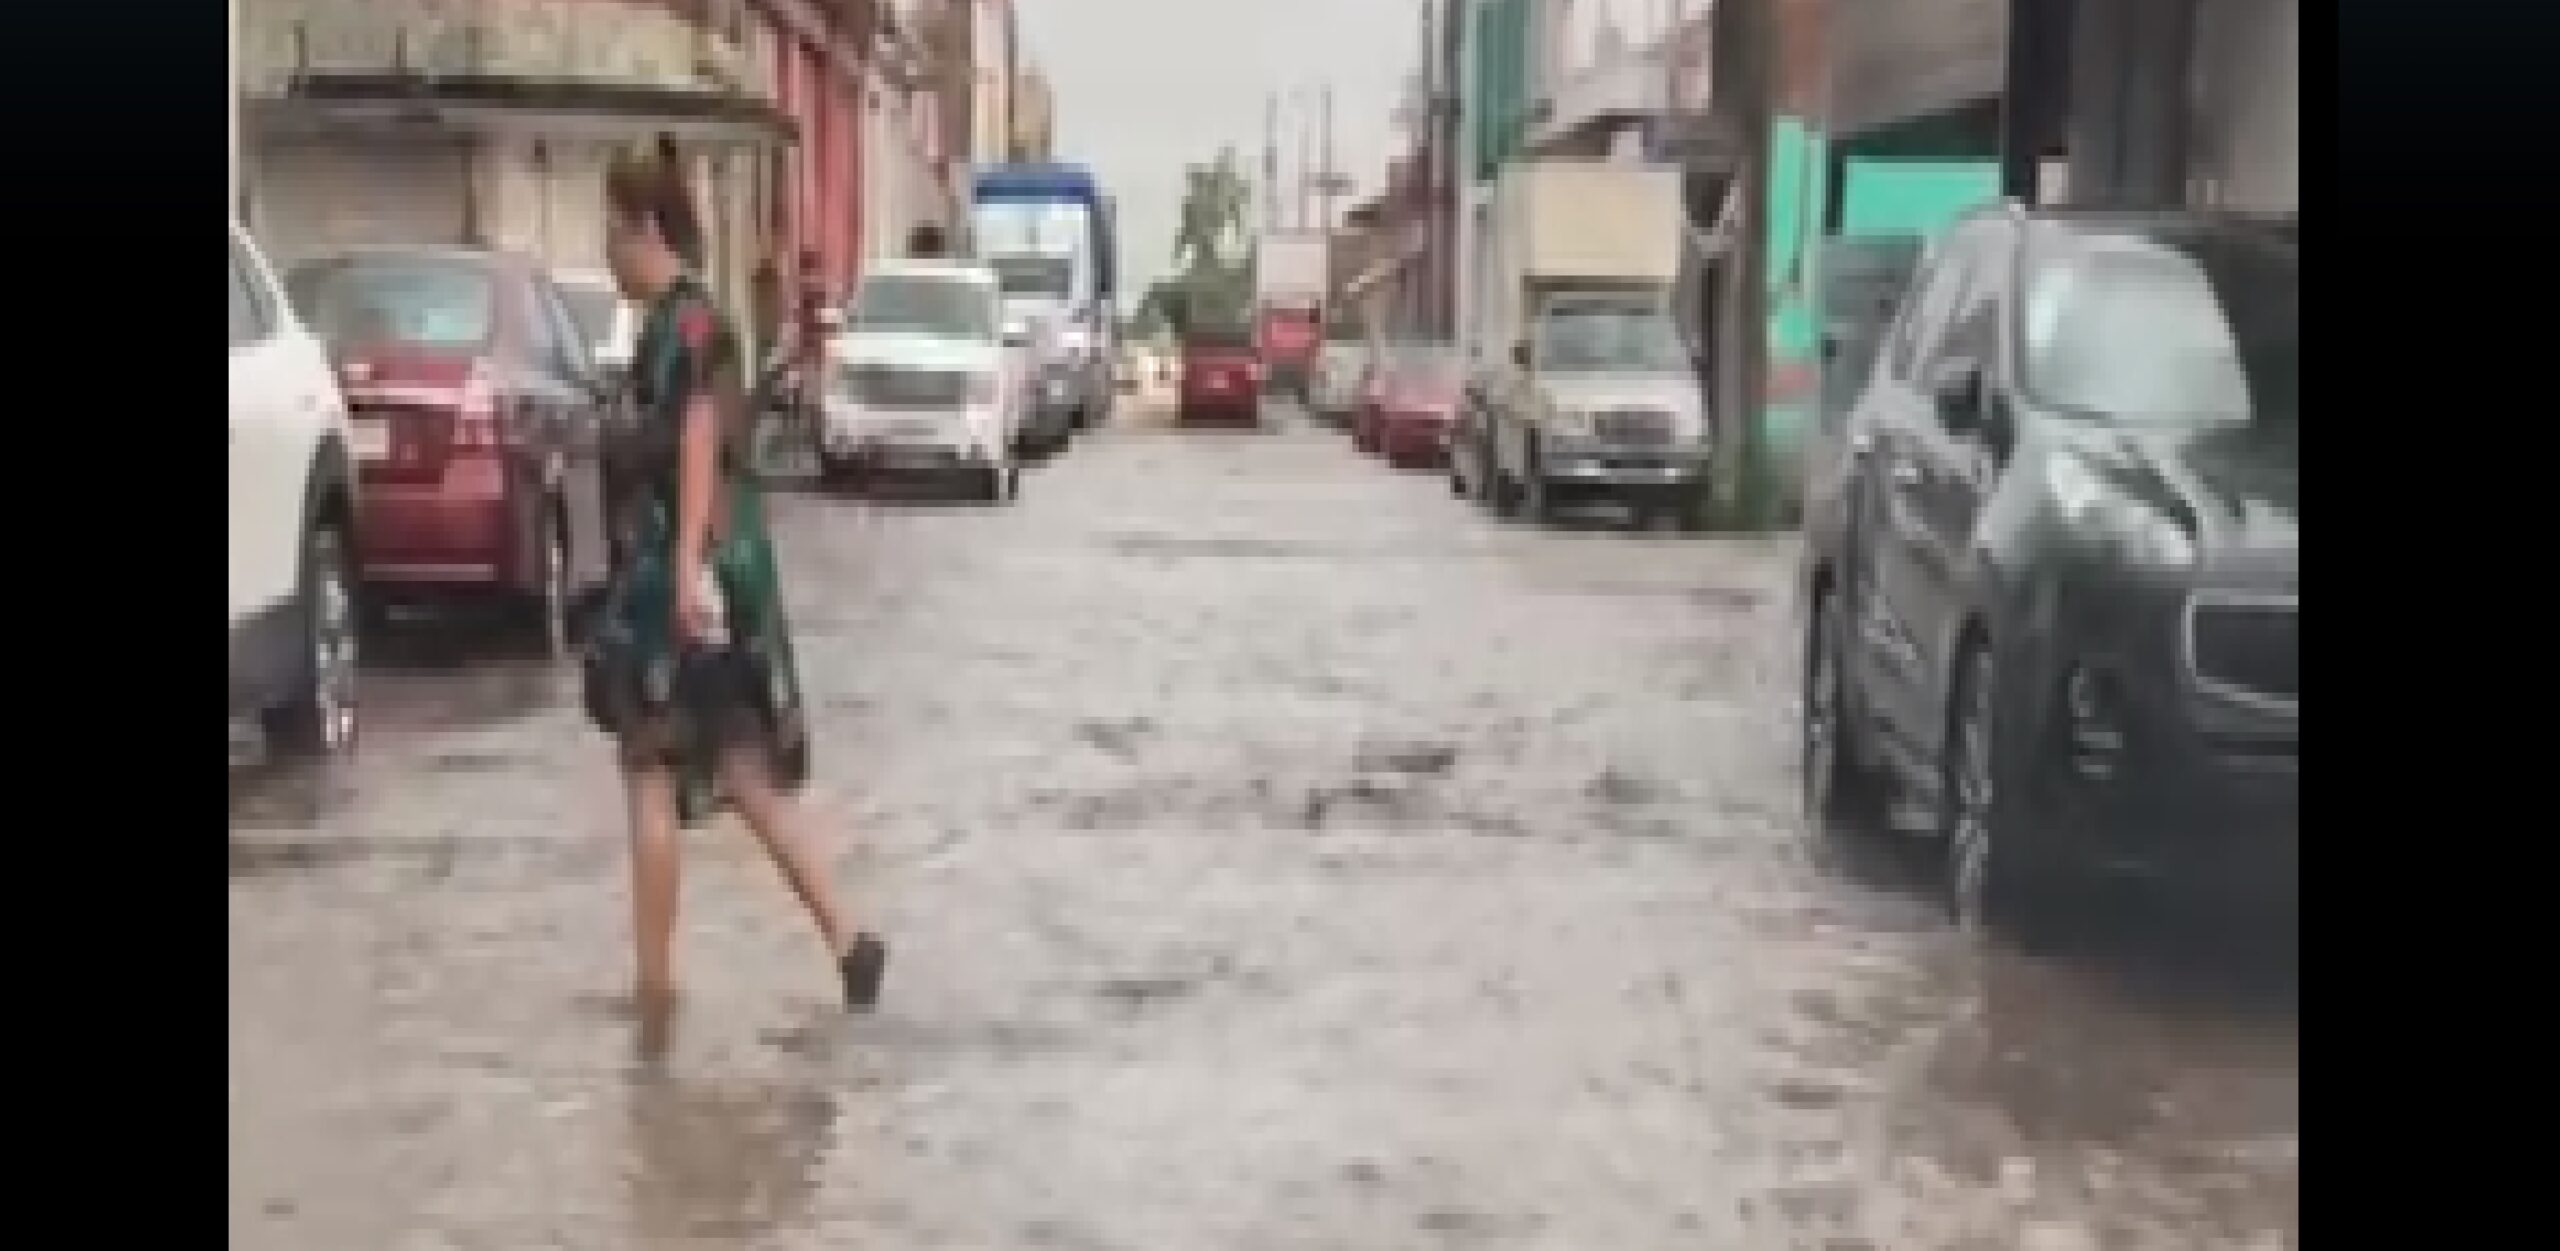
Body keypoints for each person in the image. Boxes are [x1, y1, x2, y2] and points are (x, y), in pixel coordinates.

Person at [591, 134, 886, 1031]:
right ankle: (850, 939)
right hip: (718, 568)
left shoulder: (687, 322)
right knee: (743, 773)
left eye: (610, 233)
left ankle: (654, 994)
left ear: (645, 225)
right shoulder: (691, 321)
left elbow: (695, 436)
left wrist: (681, 567)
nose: (605, 253)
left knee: (649, 769)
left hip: (679, 577)